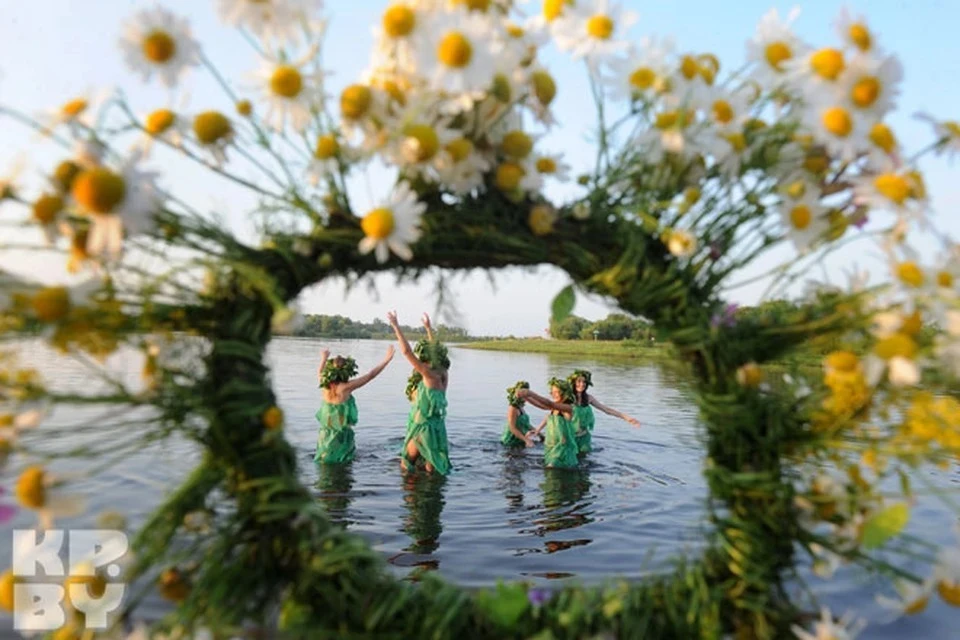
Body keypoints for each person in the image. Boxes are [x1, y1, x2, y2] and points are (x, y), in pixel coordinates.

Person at [388, 311, 451, 476]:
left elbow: (407, 352)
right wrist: (429, 329)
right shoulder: (443, 373)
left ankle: (414, 496)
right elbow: (434, 350)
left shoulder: (428, 374)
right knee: (431, 465)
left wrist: (396, 326)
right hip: (437, 429)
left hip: (422, 430)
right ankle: (432, 495)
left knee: (406, 463)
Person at [314, 346, 394, 464]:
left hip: (325, 434)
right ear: (347, 371)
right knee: (343, 461)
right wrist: (387, 360)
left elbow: (320, 371)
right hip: (341, 435)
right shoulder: (345, 388)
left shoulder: (324, 384)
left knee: (326, 458)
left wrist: (324, 358)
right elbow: (370, 375)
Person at [567, 369, 641, 454]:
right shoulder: (568, 399)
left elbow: (606, 409)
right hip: (570, 437)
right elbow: (554, 412)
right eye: (579, 381)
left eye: (584, 382)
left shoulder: (588, 398)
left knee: (584, 458)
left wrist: (627, 418)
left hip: (584, 437)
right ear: (573, 383)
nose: (582, 384)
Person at [518, 378, 579, 469]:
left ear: (564, 393)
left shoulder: (568, 408)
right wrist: (525, 397)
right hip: (551, 445)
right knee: (550, 468)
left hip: (562, 446)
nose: (552, 394)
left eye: (556, 392)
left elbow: (549, 403)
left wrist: (530, 393)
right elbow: (542, 407)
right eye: (552, 392)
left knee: (552, 467)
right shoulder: (554, 407)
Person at [501, 380, 537, 448]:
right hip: (510, 441)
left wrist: (538, 433)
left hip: (520, 439)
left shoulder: (521, 407)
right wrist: (527, 440)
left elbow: (526, 424)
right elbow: (512, 428)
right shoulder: (513, 408)